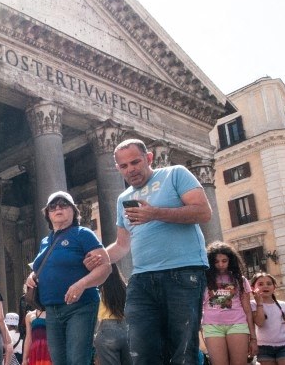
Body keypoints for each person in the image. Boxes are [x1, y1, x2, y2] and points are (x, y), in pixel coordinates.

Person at [85, 139, 211, 365]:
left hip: (182, 272)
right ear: (118, 168)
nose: (130, 169)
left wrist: (155, 214)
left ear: (149, 158)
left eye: (135, 162)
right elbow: (123, 245)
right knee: (140, 351)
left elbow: (203, 212)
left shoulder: (174, 174)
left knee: (182, 350)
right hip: (142, 279)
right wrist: (101, 257)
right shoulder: (124, 199)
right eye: (124, 166)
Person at [24, 191, 110, 365]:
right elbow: (43, 266)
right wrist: (32, 276)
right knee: (59, 361)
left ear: (73, 210)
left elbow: (105, 267)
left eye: (63, 204)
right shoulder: (45, 241)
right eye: (53, 206)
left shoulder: (83, 234)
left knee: (77, 359)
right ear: (48, 214)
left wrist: (82, 284)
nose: (58, 208)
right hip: (51, 310)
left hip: (80, 306)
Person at [200, 242, 256, 365]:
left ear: (231, 261)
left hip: (237, 325)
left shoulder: (240, 280)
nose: (220, 264)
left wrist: (253, 338)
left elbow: (247, 310)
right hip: (212, 326)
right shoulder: (203, 280)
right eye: (216, 261)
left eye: (224, 261)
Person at [249, 273, 285, 365]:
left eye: (269, 284)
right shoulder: (252, 305)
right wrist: (259, 303)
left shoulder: (283, 305)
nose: (265, 286)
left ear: (274, 287)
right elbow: (260, 323)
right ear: (252, 288)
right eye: (260, 284)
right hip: (263, 347)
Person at [93, 265, 129, 365]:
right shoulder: (125, 287)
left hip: (106, 331)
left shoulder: (100, 291)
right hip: (127, 330)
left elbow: (96, 315)